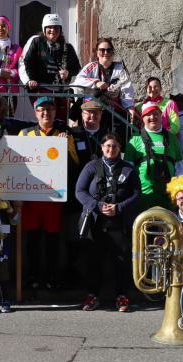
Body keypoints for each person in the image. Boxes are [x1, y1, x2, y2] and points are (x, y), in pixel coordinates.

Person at [18, 97, 80, 291]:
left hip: (54, 196)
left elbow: (74, 165)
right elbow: (17, 165)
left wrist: (63, 148)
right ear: (35, 113)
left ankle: (52, 277)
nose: (46, 113)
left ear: (55, 113)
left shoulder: (64, 135)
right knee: (33, 238)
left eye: (50, 109)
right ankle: (34, 277)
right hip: (31, 198)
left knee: (53, 239)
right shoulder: (24, 134)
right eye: (41, 110)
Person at [76, 131, 141, 312]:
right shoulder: (91, 167)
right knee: (93, 261)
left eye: (115, 146)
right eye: (107, 146)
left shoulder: (128, 168)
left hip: (120, 223)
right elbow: (80, 191)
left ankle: (122, 296)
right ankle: (92, 295)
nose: (111, 149)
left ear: (120, 148)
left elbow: (137, 195)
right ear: (102, 148)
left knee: (122, 260)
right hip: (95, 222)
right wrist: (97, 205)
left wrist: (118, 208)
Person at [66, 100, 110, 287]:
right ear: (81, 115)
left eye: (96, 113)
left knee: (97, 235)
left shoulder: (108, 136)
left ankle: (96, 277)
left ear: (101, 115)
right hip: (76, 191)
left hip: (101, 193)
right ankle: (72, 270)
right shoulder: (71, 134)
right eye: (87, 113)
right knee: (74, 235)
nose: (91, 116)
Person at [124, 102, 183, 214]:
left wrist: (175, 189)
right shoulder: (135, 138)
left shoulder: (172, 138)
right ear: (142, 117)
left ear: (161, 115)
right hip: (143, 197)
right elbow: (128, 168)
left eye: (155, 114)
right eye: (148, 114)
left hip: (168, 198)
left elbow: (180, 167)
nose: (152, 117)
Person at [20, 13, 82, 120]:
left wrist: (68, 74)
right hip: (41, 88)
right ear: (44, 29)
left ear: (60, 29)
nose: (53, 30)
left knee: (62, 123)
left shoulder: (68, 47)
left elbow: (78, 71)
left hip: (62, 91)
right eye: (49, 28)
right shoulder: (36, 41)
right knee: (47, 118)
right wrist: (28, 80)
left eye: (56, 28)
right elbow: (24, 61)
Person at [75, 38, 135, 133]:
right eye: (102, 50)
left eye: (109, 50)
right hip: (94, 110)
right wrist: (95, 83)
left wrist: (130, 107)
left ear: (112, 52)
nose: (105, 53)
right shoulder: (91, 66)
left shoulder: (121, 68)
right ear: (97, 52)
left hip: (114, 112)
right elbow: (78, 80)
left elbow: (127, 89)